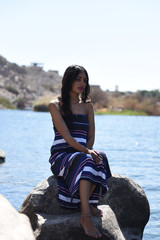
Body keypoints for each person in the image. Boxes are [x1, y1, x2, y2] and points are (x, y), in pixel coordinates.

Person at [48, 65, 111, 238]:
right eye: (78, 79)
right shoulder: (55, 105)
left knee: (101, 157)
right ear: (68, 80)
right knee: (87, 159)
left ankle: (89, 202)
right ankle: (85, 215)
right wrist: (86, 152)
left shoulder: (88, 107)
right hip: (61, 155)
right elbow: (67, 137)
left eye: (84, 80)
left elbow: (91, 136)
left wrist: (89, 150)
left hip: (82, 153)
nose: (82, 83)